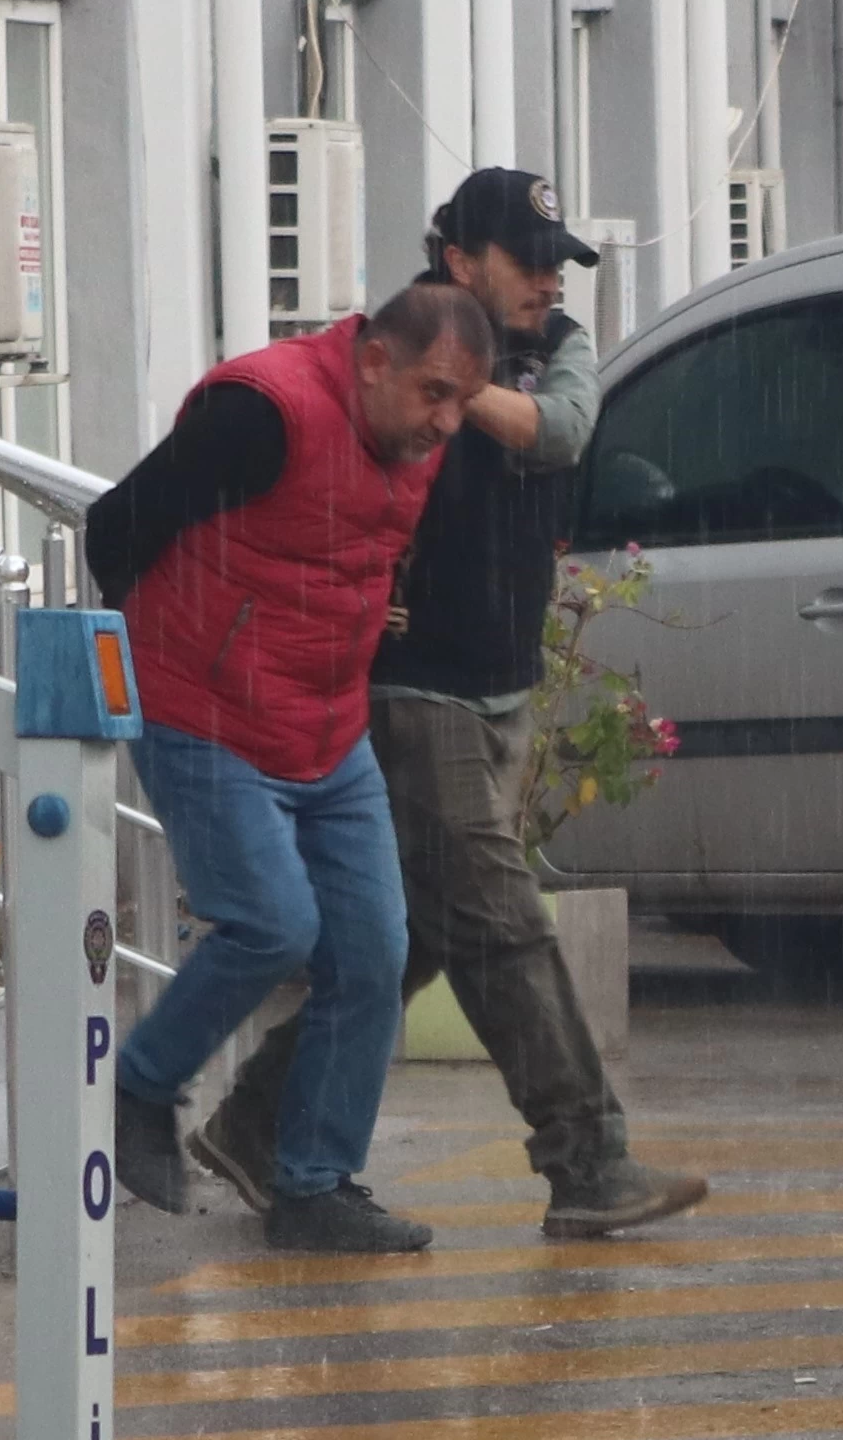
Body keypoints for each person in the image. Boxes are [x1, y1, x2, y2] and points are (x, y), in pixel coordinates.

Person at [202, 168, 709, 1240]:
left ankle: (253, 1122)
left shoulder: (535, 350)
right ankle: (586, 1160)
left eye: (554, 263)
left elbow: (564, 429)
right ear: (457, 258)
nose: (543, 282)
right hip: (409, 687)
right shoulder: (387, 359)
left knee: (422, 934)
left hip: (501, 688)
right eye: (523, 261)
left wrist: (454, 379)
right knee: (499, 925)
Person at [82, 283, 504, 1254]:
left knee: (371, 952)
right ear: (373, 361)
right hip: (203, 710)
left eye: (461, 404)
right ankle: (138, 1090)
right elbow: (118, 525)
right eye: (433, 393)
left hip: (325, 726)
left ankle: (314, 1187)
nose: (446, 423)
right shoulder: (262, 414)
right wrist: (172, 650)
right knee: (273, 922)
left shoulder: (416, 439)